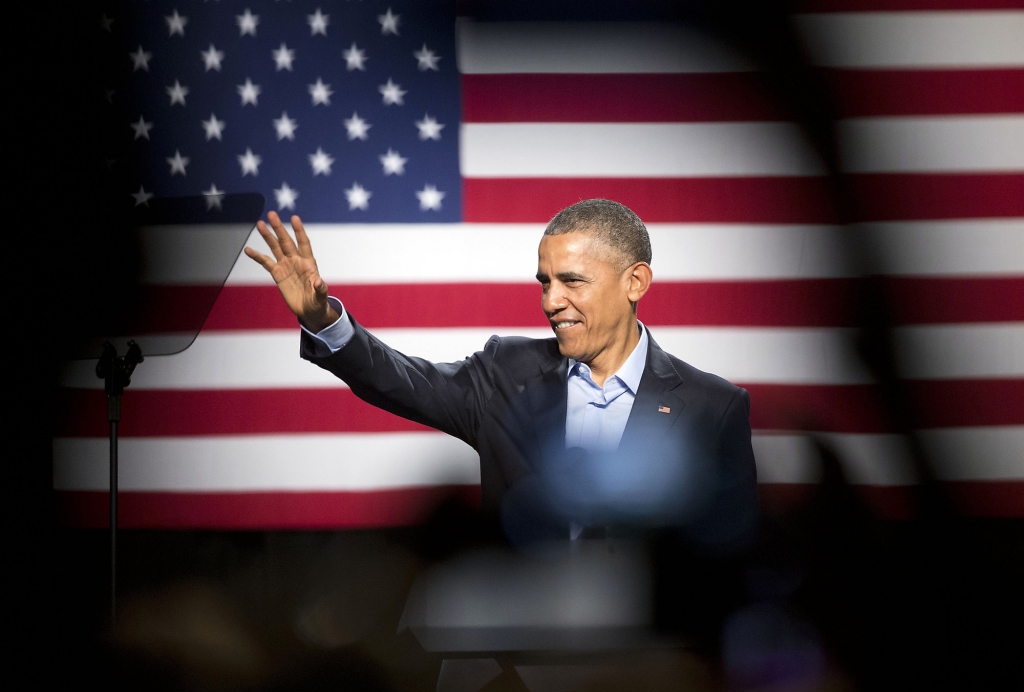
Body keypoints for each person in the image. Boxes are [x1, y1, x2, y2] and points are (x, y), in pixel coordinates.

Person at [246, 199, 757, 545]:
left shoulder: (712, 407)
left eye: (572, 281)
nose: (551, 302)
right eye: (544, 282)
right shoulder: (506, 373)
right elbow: (400, 379)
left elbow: (735, 549)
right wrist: (323, 321)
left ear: (635, 282)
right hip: (513, 663)